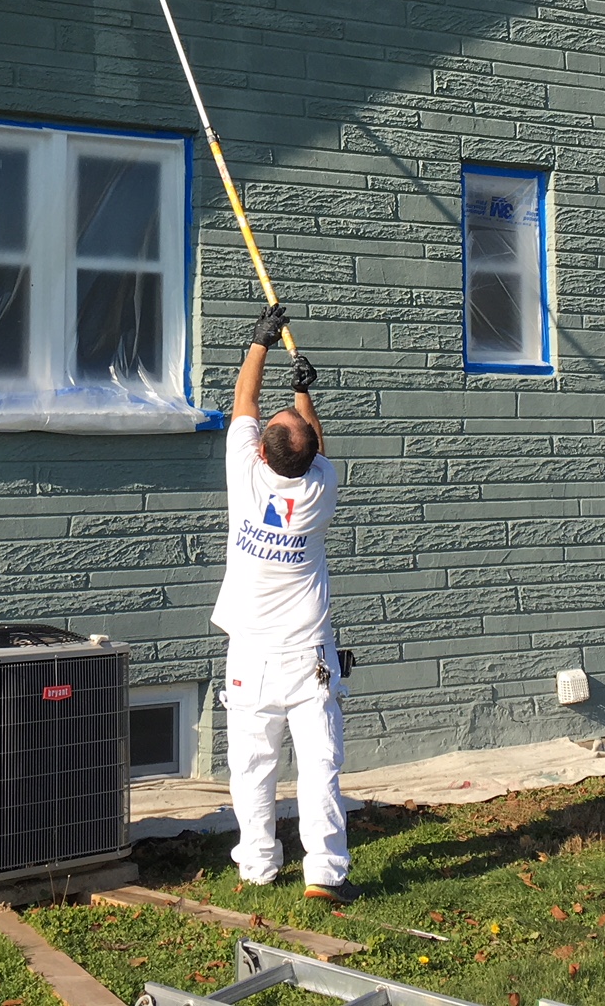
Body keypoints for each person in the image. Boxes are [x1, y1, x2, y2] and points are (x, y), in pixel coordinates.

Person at [210, 302, 357, 902]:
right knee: (320, 764)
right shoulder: (321, 491)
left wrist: (258, 343)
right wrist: (304, 394)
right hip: (308, 657)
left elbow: (244, 403)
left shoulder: (245, 476)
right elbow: (313, 444)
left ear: (263, 453)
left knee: (252, 765)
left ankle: (257, 865)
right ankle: (324, 871)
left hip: (250, 654)